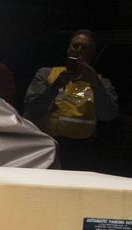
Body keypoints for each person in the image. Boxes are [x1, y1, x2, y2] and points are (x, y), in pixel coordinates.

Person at [23, 29, 118, 170]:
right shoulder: (47, 74)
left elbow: (108, 115)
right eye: (75, 46)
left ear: (92, 53)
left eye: (85, 48)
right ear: (68, 49)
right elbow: (31, 110)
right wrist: (55, 87)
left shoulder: (101, 82)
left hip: (78, 150)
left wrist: (96, 85)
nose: (78, 51)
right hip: (43, 144)